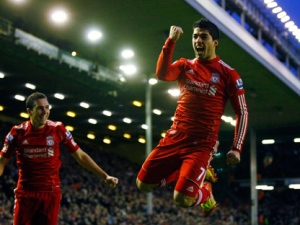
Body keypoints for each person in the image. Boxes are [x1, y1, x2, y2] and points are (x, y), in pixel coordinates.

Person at [136, 18, 248, 215]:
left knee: (183, 200)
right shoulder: (184, 65)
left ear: (215, 42)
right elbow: (162, 74)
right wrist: (170, 42)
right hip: (174, 137)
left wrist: (236, 148)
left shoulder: (228, 74)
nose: (198, 40)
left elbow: (242, 112)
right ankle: (194, 173)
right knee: (143, 184)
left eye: (204, 37)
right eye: (195, 36)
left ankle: (206, 192)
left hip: (201, 145)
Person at [0, 92, 119, 225]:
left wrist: (105, 176)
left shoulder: (57, 129)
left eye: (47, 107)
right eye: (40, 108)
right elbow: (2, 161)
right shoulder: (17, 133)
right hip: (26, 194)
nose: (45, 111)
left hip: (50, 194)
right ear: (29, 111)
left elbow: (80, 156)